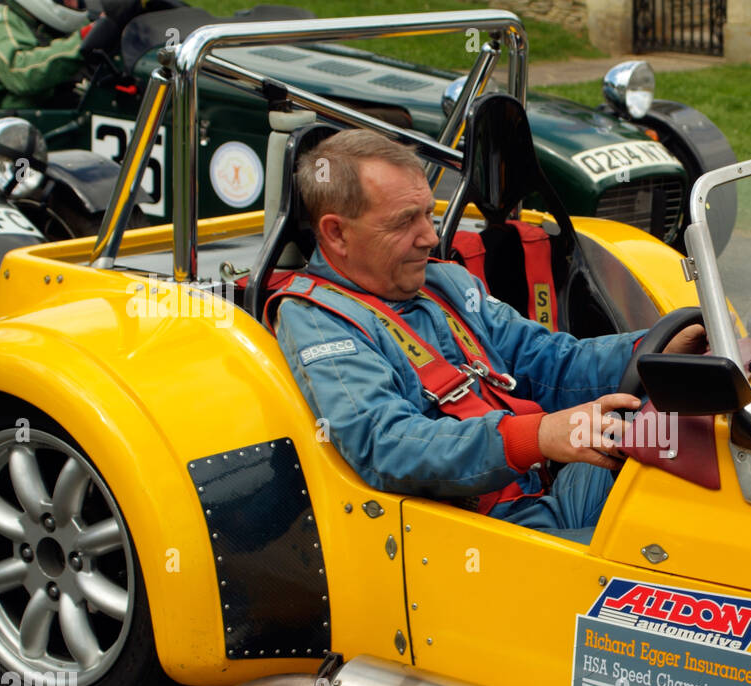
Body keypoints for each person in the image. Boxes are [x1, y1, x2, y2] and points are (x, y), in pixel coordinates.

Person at [268, 129, 705, 533]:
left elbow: (547, 360)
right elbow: (385, 444)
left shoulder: (445, 283)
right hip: (480, 532)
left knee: (702, 432)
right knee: (683, 550)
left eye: (427, 214)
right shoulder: (316, 318)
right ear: (336, 233)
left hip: (551, 488)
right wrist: (538, 437)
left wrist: (653, 351)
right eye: (404, 222)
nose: (430, 237)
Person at [0, 0, 141, 107]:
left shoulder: (76, 23)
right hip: (23, 138)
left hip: (77, 118)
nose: (74, 2)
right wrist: (85, 39)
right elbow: (20, 73)